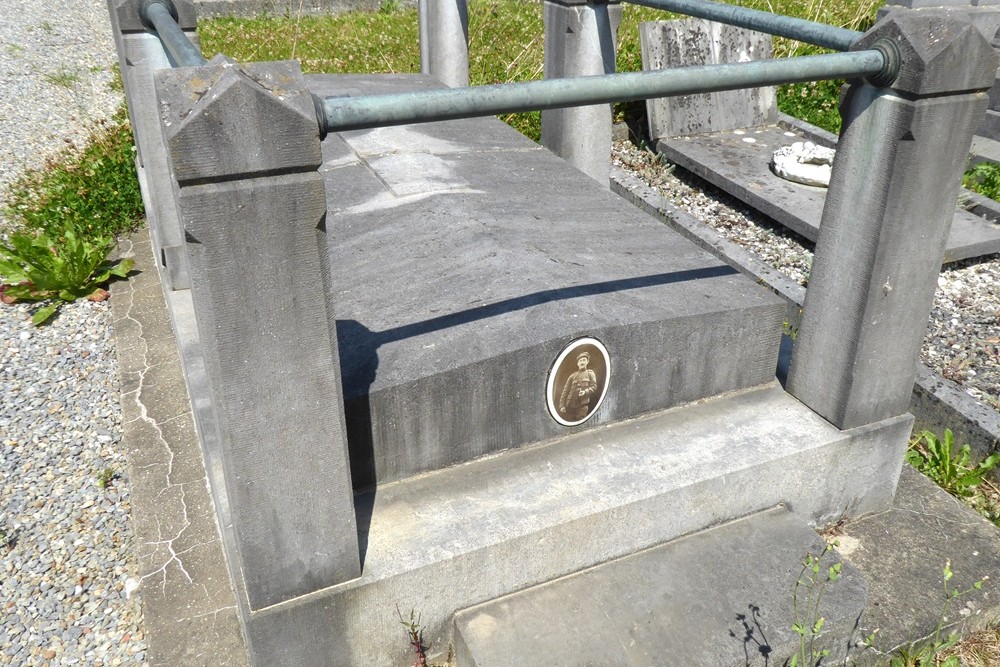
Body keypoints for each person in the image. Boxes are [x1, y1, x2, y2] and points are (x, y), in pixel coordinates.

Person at [558, 351, 598, 422]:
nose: (582, 362)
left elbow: (594, 387)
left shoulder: (590, 374)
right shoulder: (572, 376)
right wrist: (562, 405)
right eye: (580, 361)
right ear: (577, 363)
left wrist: (585, 392)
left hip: (582, 407)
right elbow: (565, 391)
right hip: (569, 406)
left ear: (587, 362)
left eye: (584, 360)